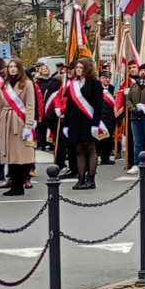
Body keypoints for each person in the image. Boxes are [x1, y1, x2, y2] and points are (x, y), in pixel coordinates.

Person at [0, 58, 36, 197]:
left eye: (14, 67)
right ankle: (13, 184)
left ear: (19, 68)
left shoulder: (27, 84)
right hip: (6, 120)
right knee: (10, 155)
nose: (12, 69)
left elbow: (30, 106)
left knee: (20, 156)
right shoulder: (3, 85)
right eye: (10, 66)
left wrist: (28, 125)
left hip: (20, 121)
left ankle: (19, 185)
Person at [63, 57, 103, 190]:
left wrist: (95, 124)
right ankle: (80, 178)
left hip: (89, 120)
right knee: (78, 149)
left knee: (90, 148)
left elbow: (98, 106)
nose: (78, 70)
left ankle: (91, 179)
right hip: (75, 121)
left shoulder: (95, 84)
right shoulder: (73, 84)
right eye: (77, 68)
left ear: (87, 69)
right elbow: (69, 106)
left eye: (81, 68)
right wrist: (66, 124)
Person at [97, 70, 117, 165]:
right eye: (105, 78)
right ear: (100, 78)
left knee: (108, 138)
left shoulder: (113, 89)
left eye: (109, 78)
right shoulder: (96, 88)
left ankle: (105, 157)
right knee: (98, 138)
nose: (107, 80)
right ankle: (95, 156)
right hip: (99, 116)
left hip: (110, 117)